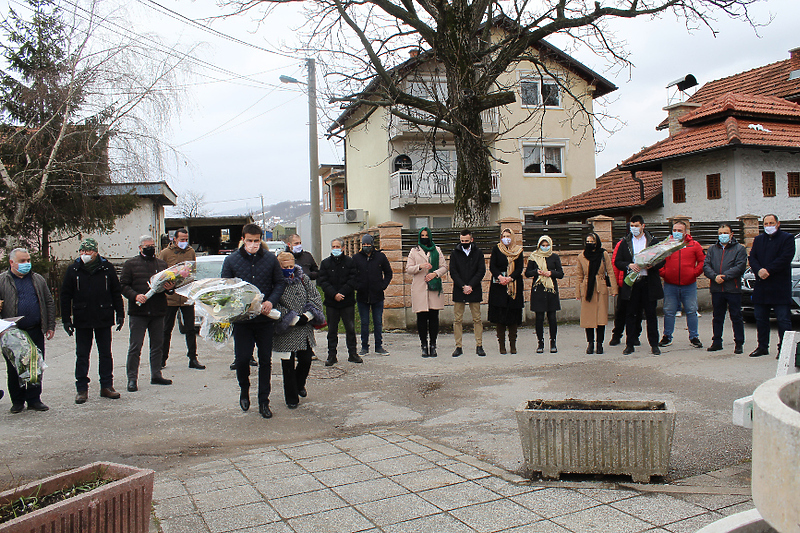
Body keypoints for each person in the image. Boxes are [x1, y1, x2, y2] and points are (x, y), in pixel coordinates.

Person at [221, 224, 286, 419]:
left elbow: (279, 283)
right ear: (243, 240)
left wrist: (270, 301)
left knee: (265, 360)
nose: (253, 244)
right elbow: (226, 286)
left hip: (264, 319)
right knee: (242, 359)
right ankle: (244, 389)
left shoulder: (270, 259)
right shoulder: (231, 260)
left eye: (256, 240)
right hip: (242, 321)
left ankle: (263, 401)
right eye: (249, 240)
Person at [60, 238, 125, 404]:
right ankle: (82, 389)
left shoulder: (106, 268)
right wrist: (66, 319)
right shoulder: (73, 269)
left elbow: (115, 292)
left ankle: (107, 386)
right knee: (82, 355)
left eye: (87, 252)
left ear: (95, 252)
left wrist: (120, 313)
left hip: (103, 316)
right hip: (82, 318)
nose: (84, 255)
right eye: (81, 252)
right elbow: (65, 296)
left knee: (105, 354)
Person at [0, 248, 55, 413]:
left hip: (35, 329)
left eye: (28, 260)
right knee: (14, 367)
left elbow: (48, 302)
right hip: (12, 333)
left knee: (35, 365)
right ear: (12, 262)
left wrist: (50, 325)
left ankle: (34, 399)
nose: (26, 264)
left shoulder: (37, 279)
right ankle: (17, 401)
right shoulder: (2, 280)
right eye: (22, 261)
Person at [121, 235, 175, 392]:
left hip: (158, 311)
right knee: (135, 347)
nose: (150, 248)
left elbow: (170, 288)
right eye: (147, 246)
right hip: (139, 312)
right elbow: (123, 286)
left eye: (152, 245)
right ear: (140, 248)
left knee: (157, 345)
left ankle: (156, 374)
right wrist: (135, 295)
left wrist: (170, 288)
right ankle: (132, 379)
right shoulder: (130, 264)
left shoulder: (162, 264)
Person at [273, 252, 324, 408]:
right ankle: (291, 397)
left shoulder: (303, 278)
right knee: (287, 365)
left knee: (306, 359)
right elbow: (273, 302)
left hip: (304, 327)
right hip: (286, 329)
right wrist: (291, 318)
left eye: (291, 266)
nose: (289, 269)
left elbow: (315, 296)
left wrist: (307, 315)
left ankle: (299, 384)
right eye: (285, 267)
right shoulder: (274, 281)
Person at [615, 215, 665, 355]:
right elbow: (618, 262)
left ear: (643, 226)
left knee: (651, 315)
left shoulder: (653, 241)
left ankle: (654, 345)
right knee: (631, 314)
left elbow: (662, 260)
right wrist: (629, 265)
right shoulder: (625, 242)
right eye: (632, 226)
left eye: (636, 225)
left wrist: (652, 265)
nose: (634, 228)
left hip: (648, 282)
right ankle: (630, 344)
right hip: (632, 284)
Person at [747, 214, 796, 358]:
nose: (769, 225)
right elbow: (752, 258)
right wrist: (759, 270)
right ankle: (762, 346)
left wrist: (768, 270)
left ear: (778, 223)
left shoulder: (787, 238)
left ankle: (785, 349)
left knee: (783, 320)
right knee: (761, 319)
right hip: (762, 287)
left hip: (779, 287)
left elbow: (785, 258)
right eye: (766, 223)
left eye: (771, 223)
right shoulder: (758, 240)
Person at [159, 228, 204, 370]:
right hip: (170, 298)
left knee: (190, 329)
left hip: (186, 296)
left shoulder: (190, 252)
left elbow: (192, 270)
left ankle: (193, 358)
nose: (184, 242)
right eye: (182, 239)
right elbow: (160, 273)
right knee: (166, 329)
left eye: (186, 239)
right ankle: (162, 359)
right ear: (175, 239)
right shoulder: (165, 253)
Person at [658, 221, 705, 349]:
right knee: (669, 311)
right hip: (670, 284)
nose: (677, 232)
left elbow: (702, 261)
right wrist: (664, 273)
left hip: (689, 285)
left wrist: (694, 273)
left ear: (685, 232)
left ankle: (694, 337)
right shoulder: (667, 245)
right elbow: (658, 260)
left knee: (691, 310)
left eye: (680, 230)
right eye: (675, 230)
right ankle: (667, 336)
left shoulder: (694, 245)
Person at [703, 224, 748, 353]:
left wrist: (725, 276)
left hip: (732, 289)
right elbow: (706, 266)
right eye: (720, 233)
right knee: (717, 317)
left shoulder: (739, 249)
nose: (723, 235)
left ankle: (739, 343)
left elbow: (740, 267)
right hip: (717, 289)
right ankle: (717, 341)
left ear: (731, 234)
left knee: (736, 317)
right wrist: (714, 276)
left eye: (725, 232)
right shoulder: (712, 249)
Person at [317, 238, 359, 366]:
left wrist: (342, 293)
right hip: (331, 303)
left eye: (338, 246)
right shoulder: (325, 263)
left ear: (343, 248)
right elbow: (323, 282)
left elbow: (353, 279)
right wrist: (334, 294)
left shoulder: (350, 262)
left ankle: (353, 354)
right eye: (333, 246)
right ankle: (331, 355)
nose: (336, 249)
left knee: (350, 329)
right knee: (332, 330)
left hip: (347, 302)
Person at [407, 227, 448, 358]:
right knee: (422, 318)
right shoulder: (414, 251)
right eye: (422, 235)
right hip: (419, 288)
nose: (424, 237)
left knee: (434, 318)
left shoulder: (437, 250)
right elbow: (408, 269)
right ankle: (424, 345)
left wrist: (435, 274)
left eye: (426, 235)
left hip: (434, 288)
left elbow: (444, 267)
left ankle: (433, 345)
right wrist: (420, 266)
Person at [576, 233, 618, 354]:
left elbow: (610, 271)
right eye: (587, 242)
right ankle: (590, 344)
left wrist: (614, 289)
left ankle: (600, 344)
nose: (590, 244)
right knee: (588, 319)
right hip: (587, 289)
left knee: (601, 318)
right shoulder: (581, 256)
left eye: (592, 242)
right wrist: (578, 292)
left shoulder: (603, 254)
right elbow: (579, 275)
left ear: (597, 242)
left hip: (600, 288)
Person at [352, 234, 393, 356]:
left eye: (368, 244)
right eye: (364, 245)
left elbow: (389, 273)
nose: (366, 247)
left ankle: (379, 346)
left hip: (377, 295)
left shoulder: (380, 257)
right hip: (362, 296)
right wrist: (357, 286)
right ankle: (364, 347)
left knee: (378, 322)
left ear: (372, 244)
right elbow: (351, 275)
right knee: (364, 322)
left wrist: (383, 285)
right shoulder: (356, 258)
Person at [449, 229, 486, 357]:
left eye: (466, 240)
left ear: (471, 240)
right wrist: (463, 286)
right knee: (457, 319)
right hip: (460, 289)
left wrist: (471, 285)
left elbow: (481, 271)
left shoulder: (478, 253)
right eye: (462, 241)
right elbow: (453, 272)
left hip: (474, 289)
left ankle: (479, 345)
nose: (464, 242)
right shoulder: (454, 253)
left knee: (477, 319)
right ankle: (458, 346)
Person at [525, 235, 564, 354]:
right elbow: (527, 273)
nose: (545, 247)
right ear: (539, 245)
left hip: (551, 290)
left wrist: (551, 273)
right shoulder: (533, 257)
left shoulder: (554, 257)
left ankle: (553, 342)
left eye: (547, 245)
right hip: (539, 290)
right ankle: (540, 343)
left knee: (552, 317)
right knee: (539, 318)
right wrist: (536, 272)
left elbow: (560, 273)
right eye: (543, 245)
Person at [489, 228, 525, 354]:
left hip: (514, 287)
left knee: (513, 318)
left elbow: (520, 268)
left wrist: (510, 278)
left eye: (508, 236)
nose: (506, 238)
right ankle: (502, 346)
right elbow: (492, 266)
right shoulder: (496, 249)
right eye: (504, 236)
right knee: (500, 318)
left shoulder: (518, 251)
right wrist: (500, 277)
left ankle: (513, 345)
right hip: (499, 286)